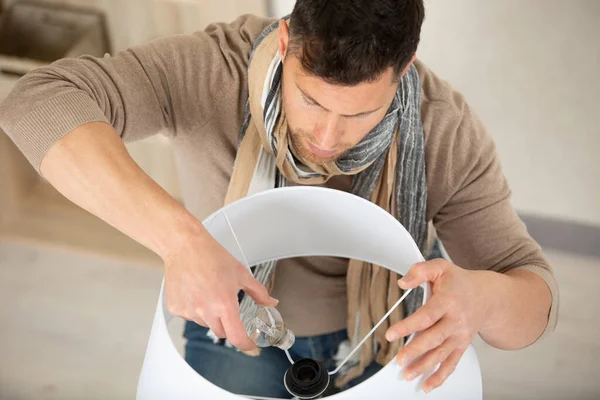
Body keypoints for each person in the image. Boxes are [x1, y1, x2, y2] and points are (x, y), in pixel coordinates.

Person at [0, 0, 558, 397]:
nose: (328, 137)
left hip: (392, 335)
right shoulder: (211, 69)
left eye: (361, 114)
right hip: (234, 323)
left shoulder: (444, 129)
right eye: (312, 100)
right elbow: (38, 103)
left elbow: (534, 299)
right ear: (287, 43)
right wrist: (182, 241)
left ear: (403, 70)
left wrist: (483, 299)